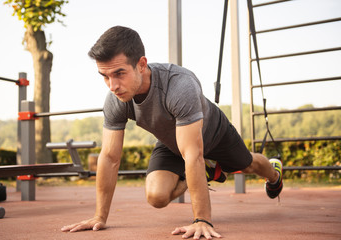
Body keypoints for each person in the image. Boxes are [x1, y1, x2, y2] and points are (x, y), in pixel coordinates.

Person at [61, 26, 283, 239]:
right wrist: (100, 216)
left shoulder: (178, 85)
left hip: (214, 133)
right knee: (157, 197)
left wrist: (202, 220)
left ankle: (274, 173)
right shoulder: (116, 99)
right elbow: (109, 157)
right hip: (172, 142)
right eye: (105, 76)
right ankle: (207, 171)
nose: (113, 85)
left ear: (141, 64)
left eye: (119, 73)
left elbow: (193, 153)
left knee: (249, 165)